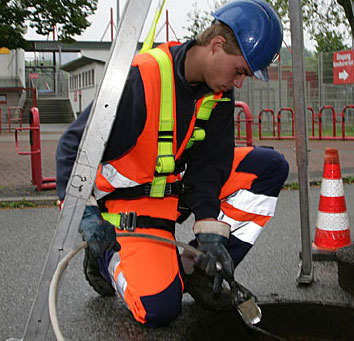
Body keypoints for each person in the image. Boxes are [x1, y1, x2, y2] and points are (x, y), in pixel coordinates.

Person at [55, 0, 287, 327]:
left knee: (269, 168)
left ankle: (197, 269)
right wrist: (87, 214)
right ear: (216, 46)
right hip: (128, 206)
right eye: (240, 71)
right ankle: (107, 256)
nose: (239, 83)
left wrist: (209, 228)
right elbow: (72, 146)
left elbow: (210, 167)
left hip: (173, 193)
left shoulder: (217, 92)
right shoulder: (141, 79)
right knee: (158, 310)